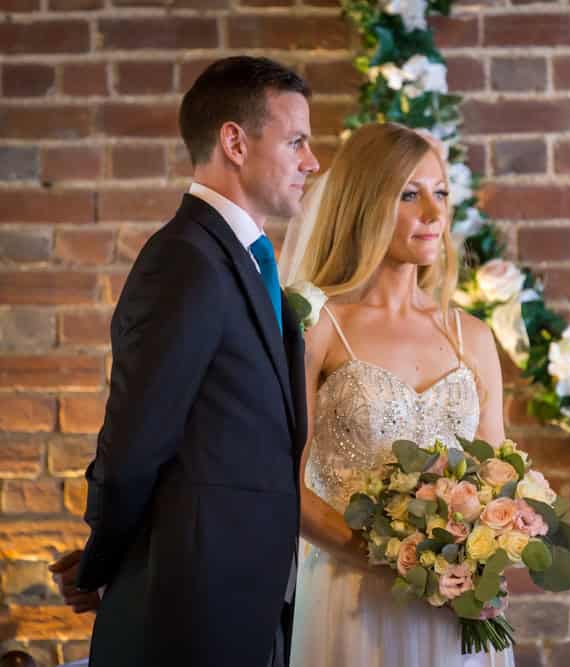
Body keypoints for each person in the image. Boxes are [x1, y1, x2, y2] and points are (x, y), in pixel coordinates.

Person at [48, 56, 319, 667]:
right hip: (188, 609)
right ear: (235, 141)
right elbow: (135, 443)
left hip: (243, 602)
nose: (312, 161)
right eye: (297, 140)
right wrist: (100, 563)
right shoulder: (184, 260)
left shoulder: (239, 259)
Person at [279, 122, 514, 666]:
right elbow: (283, 484)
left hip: (456, 608)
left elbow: (500, 478)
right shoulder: (317, 328)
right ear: (364, 204)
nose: (434, 215)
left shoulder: (472, 337)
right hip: (352, 598)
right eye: (410, 194)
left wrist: (485, 561)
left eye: (441, 194)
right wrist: (400, 560)